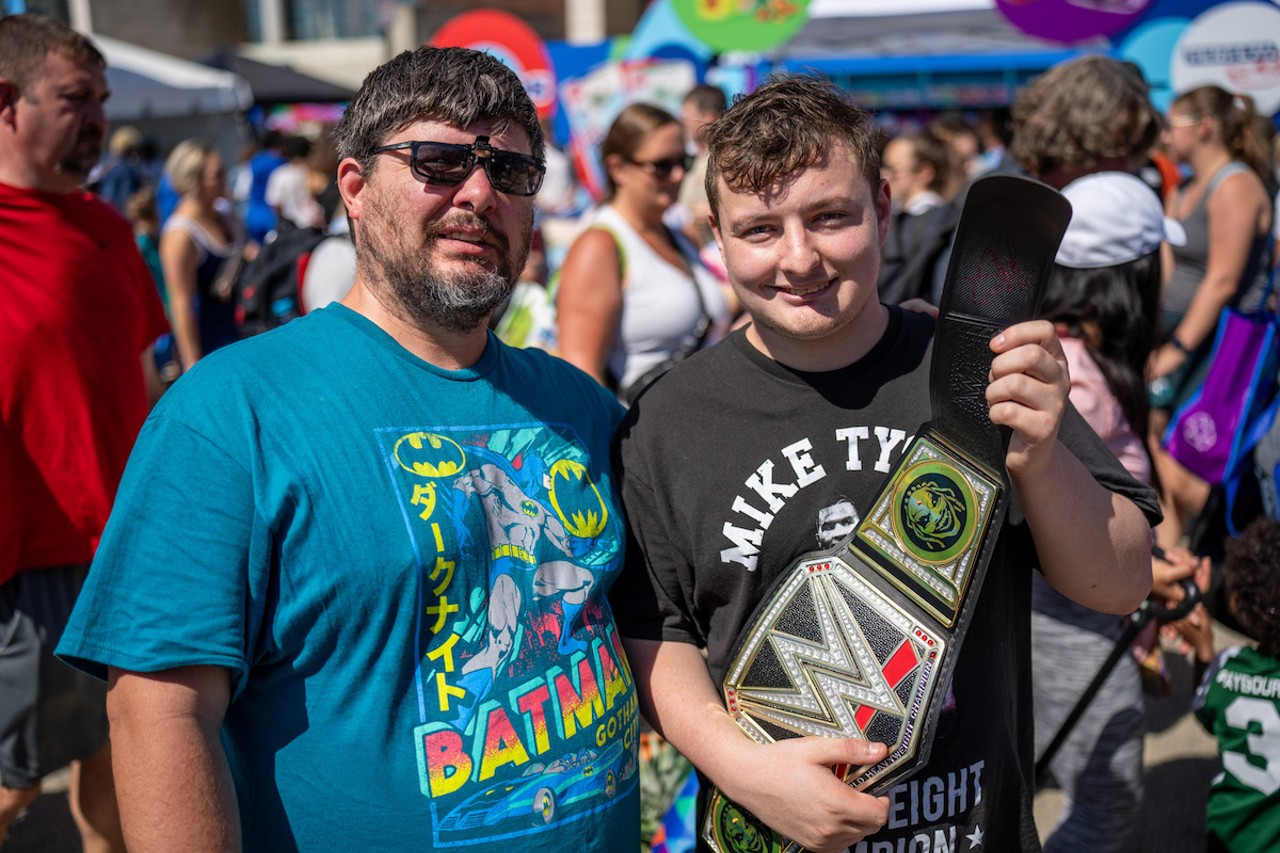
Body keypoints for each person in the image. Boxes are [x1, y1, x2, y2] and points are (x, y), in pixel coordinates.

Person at [56, 45, 640, 851]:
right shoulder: (230, 412)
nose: (479, 192)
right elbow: (159, 709)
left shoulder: (581, 405)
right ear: (356, 190)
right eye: (438, 162)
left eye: (509, 171)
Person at [610, 74, 1158, 853]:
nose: (799, 258)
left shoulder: (980, 365)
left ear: (885, 206)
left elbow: (1122, 581)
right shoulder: (664, 419)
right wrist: (744, 767)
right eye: (759, 229)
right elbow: (656, 632)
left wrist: (1037, 457)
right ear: (715, 234)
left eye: (830, 216)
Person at [0, 13, 168, 852]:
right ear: (7, 103)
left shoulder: (108, 230)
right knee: (14, 780)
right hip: (32, 558)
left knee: (122, 751)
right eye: (75, 99)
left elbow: (143, 380)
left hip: (129, 547)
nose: (97, 119)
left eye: (101, 99)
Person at [1027, 171, 1186, 853]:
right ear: (1133, 273)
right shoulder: (1077, 382)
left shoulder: (1074, 357)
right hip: (1068, 619)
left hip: (1073, 612)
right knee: (1106, 800)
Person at [1148, 85, 1274, 552]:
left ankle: (1224, 550)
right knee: (1154, 439)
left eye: (1172, 123)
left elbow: (1222, 280)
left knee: (1186, 454)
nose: (1164, 133)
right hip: (1176, 331)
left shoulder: (1236, 184)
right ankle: (1173, 557)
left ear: (1204, 127)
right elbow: (1170, 261)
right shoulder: (1185, 184)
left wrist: (1175, 350)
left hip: (1218, 341)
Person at [556, 102, 729, 404]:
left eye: (683, 162)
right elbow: (582, 375)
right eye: (662, 165)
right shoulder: (600, 245)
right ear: (617, 168)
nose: (677, 175)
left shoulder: (679, 236)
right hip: (641, 436)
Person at [1184, 516, 1280, 852]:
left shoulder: (1229, 668)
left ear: (1237, 604)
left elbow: (1206, 712)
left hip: (1230, 832)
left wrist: (1203, 648)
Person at [159, 138, 242, 370]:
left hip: (240, 330)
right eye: (217, 174)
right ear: (194, 180)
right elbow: (180, 304)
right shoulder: (180, 233)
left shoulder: (223, 212)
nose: (225, 178)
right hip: (213, 340)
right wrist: (192, 366)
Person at [876, 129, 958, 305]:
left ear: (925, 172)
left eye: (893, 169)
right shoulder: (950, 218)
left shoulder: (942, 224)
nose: (884, 175)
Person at [676, 83, 727, 250]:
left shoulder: (726, 159)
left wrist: (709, 212)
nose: (684, 123)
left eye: (687, 116)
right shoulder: (697, 158)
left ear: (709, 117)